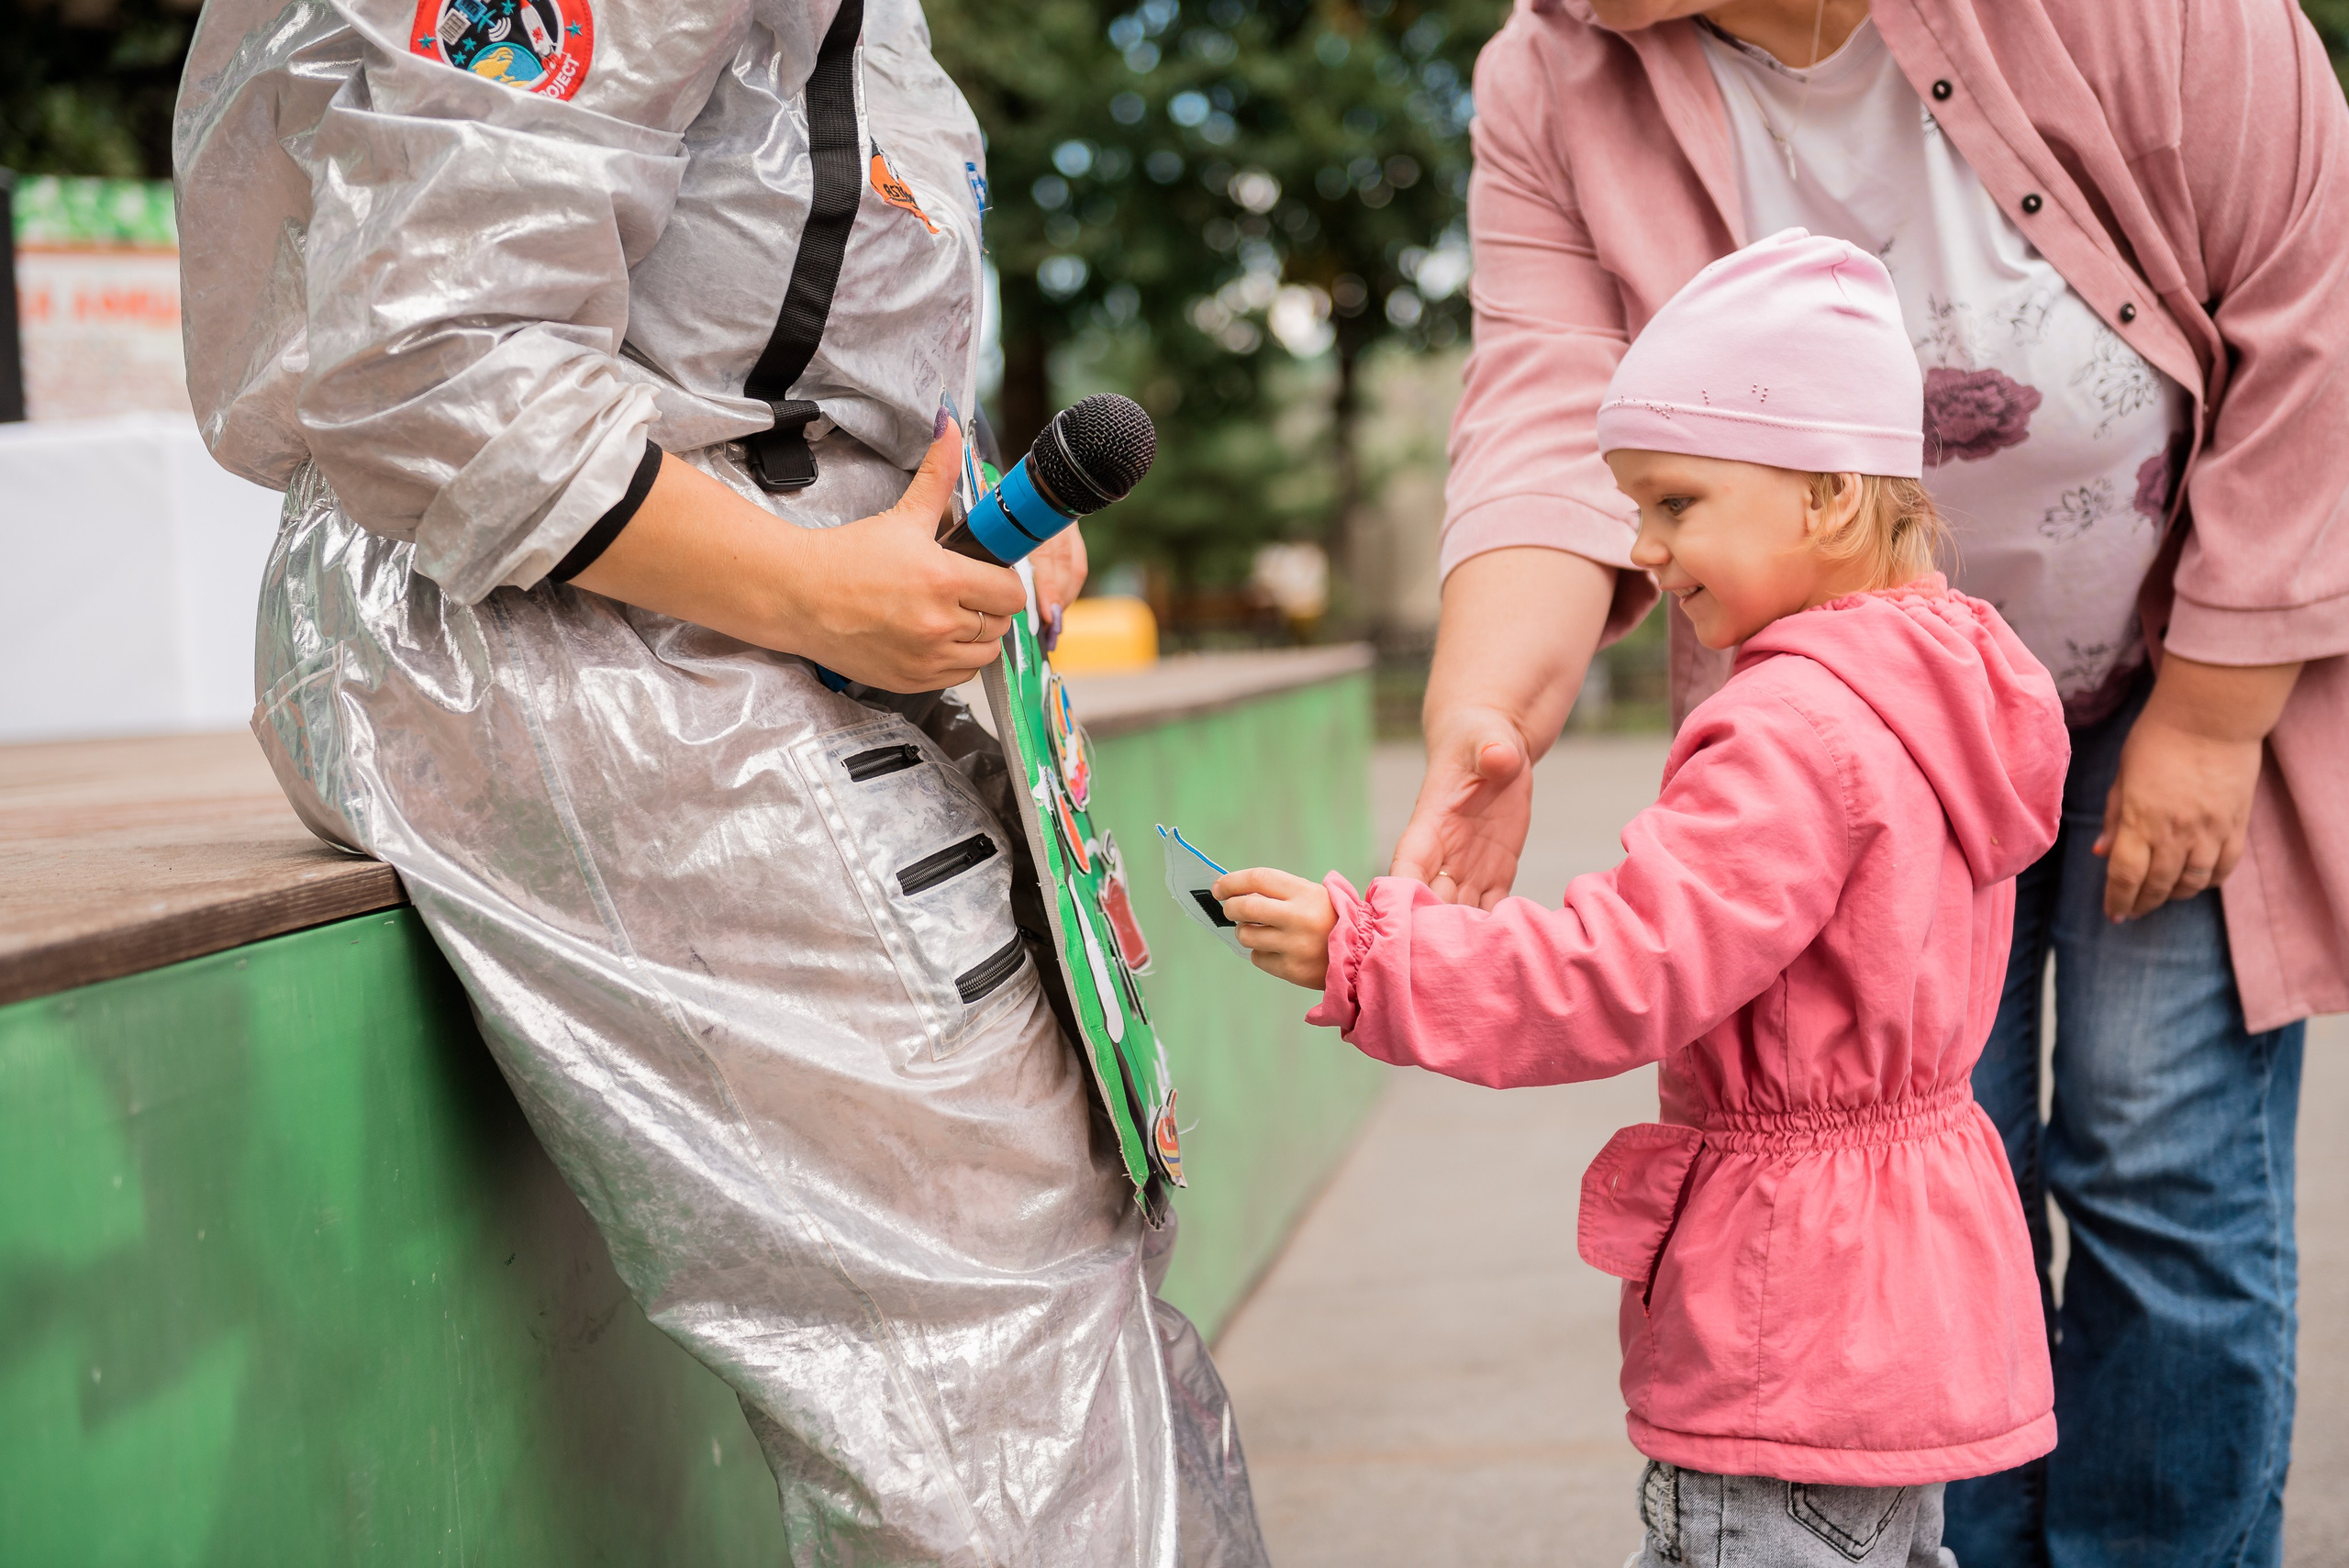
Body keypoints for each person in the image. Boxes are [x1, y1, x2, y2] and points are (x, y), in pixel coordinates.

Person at [172, 2, 1269, 1562]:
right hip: (575, 640)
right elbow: (432, 355)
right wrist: (817, 587)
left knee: (1068, 1271)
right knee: (983, 1343)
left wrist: (928, 508)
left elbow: (770, 301)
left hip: (768, 623)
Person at [1394, 2, 2349, 1561]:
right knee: (1900, 1187)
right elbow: (1550, 404)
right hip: (1843, 730)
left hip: (2175, 672)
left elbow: (2318, 317)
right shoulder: (1550, 68)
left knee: (2160, 1163)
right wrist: (1493, 709)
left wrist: (2218, 719)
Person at [1217, 230, 2066, 1566]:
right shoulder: (1948, 687)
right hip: (1903, 1320)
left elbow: (1617, 971)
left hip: (1791, 1328)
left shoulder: (1794, 729)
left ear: (1831, 492)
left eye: (1676, 502)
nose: (1645, 548)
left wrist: (1374, 952)